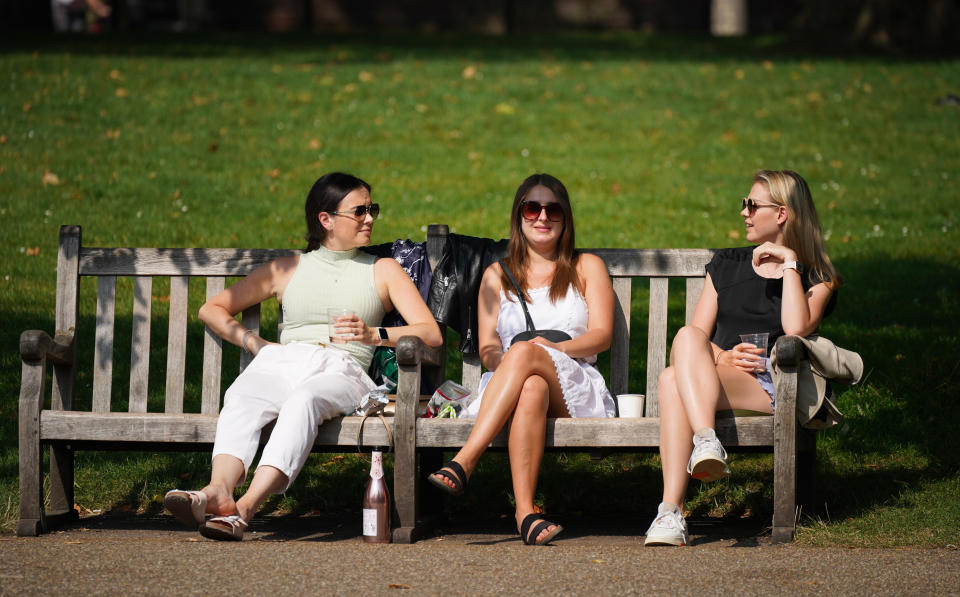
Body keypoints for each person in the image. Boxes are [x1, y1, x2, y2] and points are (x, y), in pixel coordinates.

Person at [163, 172, 442, 541]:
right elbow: (212, 309)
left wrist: (375, 334)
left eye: (371, 209)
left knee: (304, 400)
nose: (371, 218)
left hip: (343, 368)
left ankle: (246, 509)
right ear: (326, 219)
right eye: (359, 211)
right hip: (284, 360)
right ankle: (218, 492)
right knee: (242, 398)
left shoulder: (382, 269)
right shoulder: (287, 268)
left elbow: (431, 333)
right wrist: (255, 343)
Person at [643, 169, 840, 546]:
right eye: (744, 204)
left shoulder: (817, 276)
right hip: (720, 376)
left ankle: (670, 513)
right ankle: (700, 451)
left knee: (672, 380)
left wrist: (789, 265)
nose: (744, 212)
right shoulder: (727, 264)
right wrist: (724, 356)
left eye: (752, 205)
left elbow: (796, 329)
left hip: (778, 385)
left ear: (781, 214)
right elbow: (697, 338)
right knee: (680, 353)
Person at [427, 173, 617, 546]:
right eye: (532, 208)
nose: (542, 217)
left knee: (527, 353)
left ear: (566, 219)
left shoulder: (586, 266)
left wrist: (549, 350)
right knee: (530, 385)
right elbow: (487, 348)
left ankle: (466, 459)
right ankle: (526, 513)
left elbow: (601, 336)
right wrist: (511, 361)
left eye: (553, 209)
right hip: (511, 382)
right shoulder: (496, 275)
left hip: (575, 384)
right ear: (519, 216)